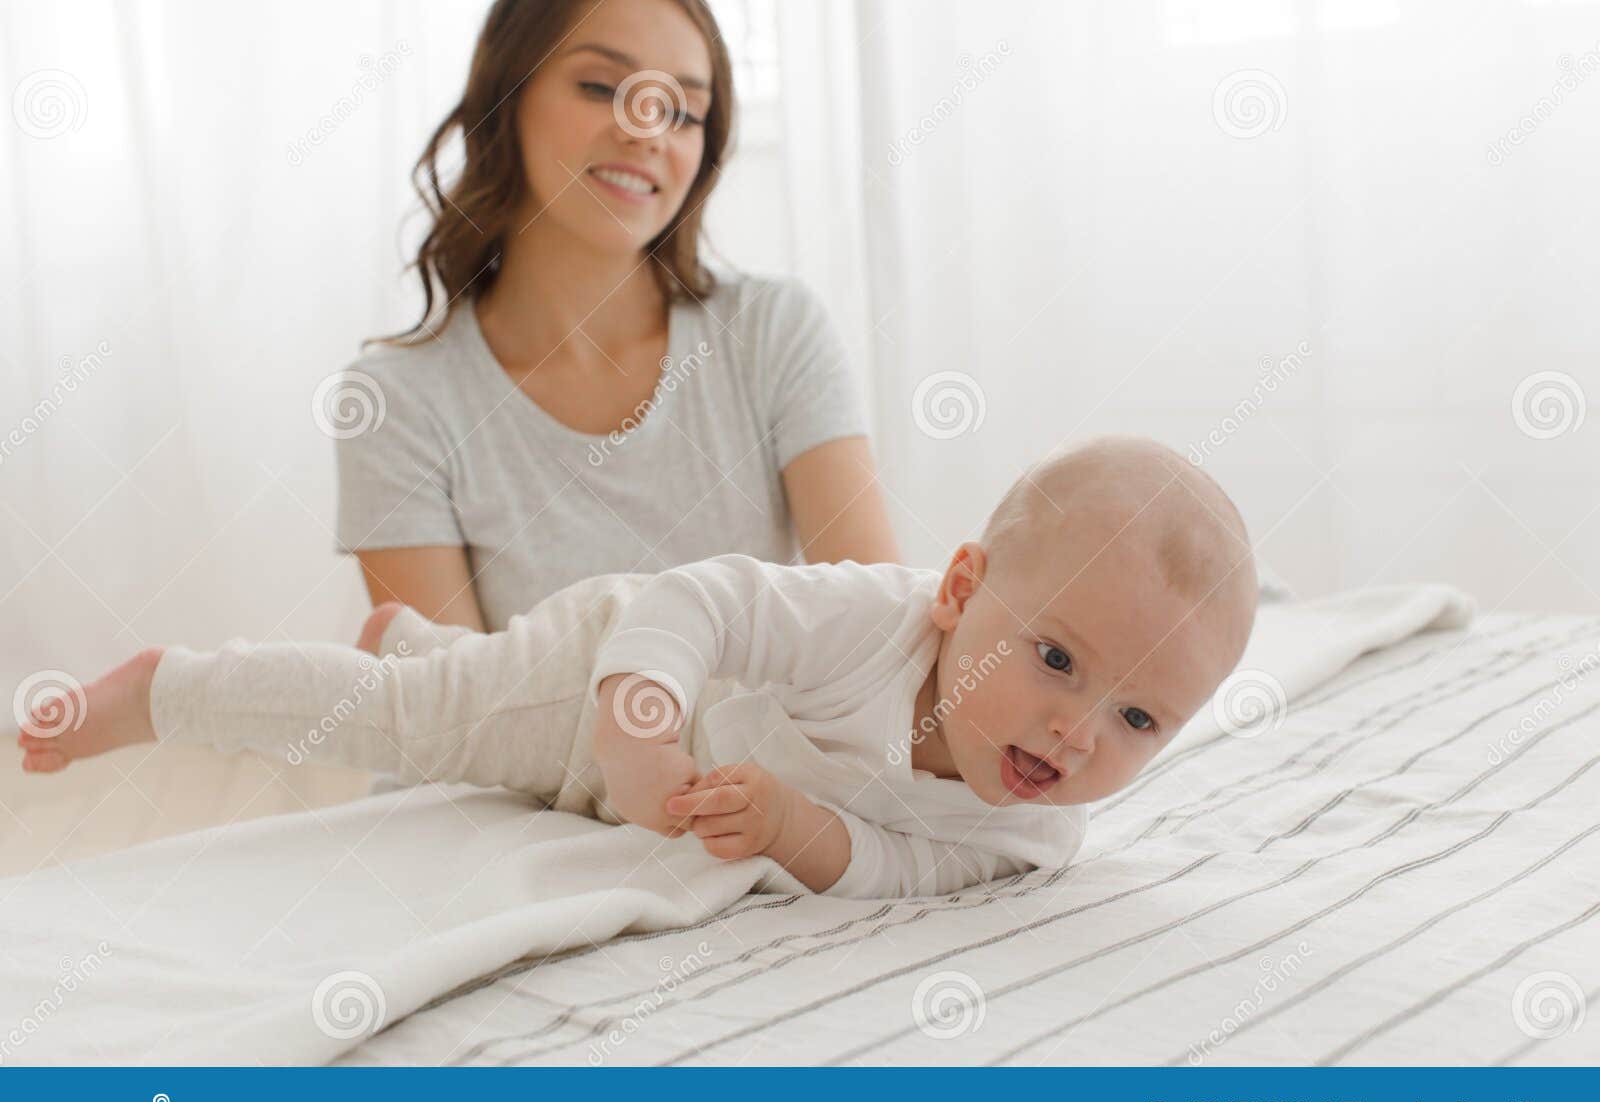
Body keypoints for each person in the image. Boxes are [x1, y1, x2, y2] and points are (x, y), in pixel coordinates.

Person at [18, 438, 1259, 901]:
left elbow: (907, 864)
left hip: (651, 779)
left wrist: (793, 826)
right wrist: (641, 708)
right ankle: (163, 687)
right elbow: (703, 598)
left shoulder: (1043, 832)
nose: (1078, 729)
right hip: (598, 688)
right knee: (410, 724)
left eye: (1141, 715)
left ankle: (415, 639)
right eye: (1055, 657)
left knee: (448, 684)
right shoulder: (868, 625)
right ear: (956, 590)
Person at [336, 0, 898, 650]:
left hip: (769, 757)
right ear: (506, 95)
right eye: (601, 87)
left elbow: (876, 641)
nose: (648, 131)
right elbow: (450, 724)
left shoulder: (773, 331)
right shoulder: (395, 403)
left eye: (684, 110)